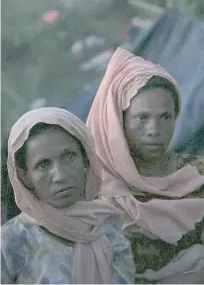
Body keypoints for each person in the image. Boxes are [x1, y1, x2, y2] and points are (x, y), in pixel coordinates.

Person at [86, 48, 204, 284]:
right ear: (116, 122)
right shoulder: (94, 197)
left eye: (165, 117)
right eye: (141, 118)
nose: (154, 130)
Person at [1, 108, 134, 284]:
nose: (60, 176)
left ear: (86, 158)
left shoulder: (110, 225)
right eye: (43, 165)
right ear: (25, 176)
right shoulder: (11, 242)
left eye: (69, 157)